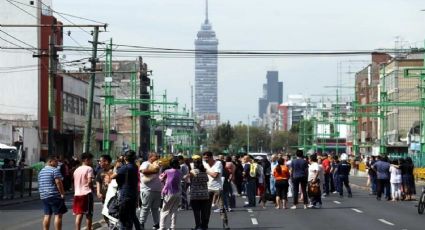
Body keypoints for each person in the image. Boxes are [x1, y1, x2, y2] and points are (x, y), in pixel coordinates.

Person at [111, 150, 140, 230]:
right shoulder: (135, 166)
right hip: (133, 193)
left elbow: (112, 176)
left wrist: (118, 165)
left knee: (123, 217)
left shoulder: (125, 168)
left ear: (125, 157)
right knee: (132, 215)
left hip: (125, 194)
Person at [38, 155, 67, 230]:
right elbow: (58, 182)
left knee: (47, 215)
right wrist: (62, 193)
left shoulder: (41, 171)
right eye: (56, 161)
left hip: (44, 196)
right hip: (54, 195)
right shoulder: (55, 170)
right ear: (50, 162)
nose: (57, 163)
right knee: (58, 215)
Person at [203, 151, 228, 229]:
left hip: (217, 188)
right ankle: (205, 225)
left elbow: (215, 175)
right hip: (208, 188)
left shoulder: (218, 164)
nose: (205, 159)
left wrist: (206, 171)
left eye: (207, 158)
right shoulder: (204, 163)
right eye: (204, 158)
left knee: (221, 208)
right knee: (206, 208)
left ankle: (225, 225)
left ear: (211, 157)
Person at [139, 152, 162, 230]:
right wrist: (155, 171)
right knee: (145, 207)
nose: (158, 157)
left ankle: (156, 223)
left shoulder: (158, 164)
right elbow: (143, 171)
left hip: (157, 190)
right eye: (156, 156)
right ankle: (141, 223)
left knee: (155, 208)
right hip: (147, 190)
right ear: (150, 157)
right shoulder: (145, 163)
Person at [159, 157, 182, 230]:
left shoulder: (167, 171)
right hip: (178, 192)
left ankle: (162, 227)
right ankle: (173, 227)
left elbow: (161, 178)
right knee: (174, 210)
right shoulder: (179, 171)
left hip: (168, 192)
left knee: (164, 210)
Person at [73, 152, 94, 230]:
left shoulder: (76, 170)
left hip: (77, 194)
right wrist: (92, 189)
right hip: (86, 193)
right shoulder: (89, 168)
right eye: (91, 160)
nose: (91, 162)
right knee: (89, 214)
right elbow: (89, 181)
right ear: (86, 160)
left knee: (79, 214)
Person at [189, 155, 210, 230]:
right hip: (204, 194)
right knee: (204, 211)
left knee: (196, 211)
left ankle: (197, 226)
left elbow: (190, 180)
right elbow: (207, 180)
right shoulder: (204, 171)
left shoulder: (192, 172)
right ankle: (203, 226)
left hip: (195, 194)